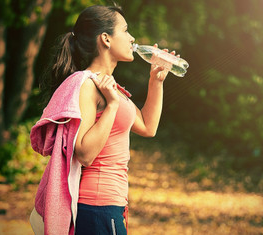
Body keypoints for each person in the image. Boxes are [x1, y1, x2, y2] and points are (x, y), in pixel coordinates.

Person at [29, 4, 177, 235]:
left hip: (114, 205)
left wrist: (155, 81)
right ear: (106, 39)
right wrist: (112, 106)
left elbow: (148, 127)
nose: (132, 38)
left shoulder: (112, 88)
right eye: (126, 30)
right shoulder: (87, 85)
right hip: (96, 206)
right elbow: (85, 154)